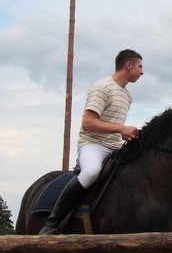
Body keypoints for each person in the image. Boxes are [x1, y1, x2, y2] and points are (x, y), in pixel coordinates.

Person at [39, 49, 143, 235]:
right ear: (128, 65)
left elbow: (113, 124)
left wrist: (126, 134)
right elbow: (88, 123)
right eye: (140, 67)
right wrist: (121, 129)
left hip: (114, 146)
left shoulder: (128, 96)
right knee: (91, 172)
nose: (142, 72)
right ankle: (51, 223)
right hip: (93, 145)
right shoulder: (102, 87)